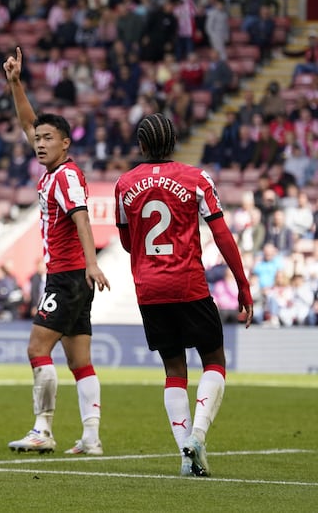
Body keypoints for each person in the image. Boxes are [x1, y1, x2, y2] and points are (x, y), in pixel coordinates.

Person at [113, 112, 254, 477]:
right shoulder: (196, 179)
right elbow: (222, 235)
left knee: (174, 370)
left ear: (141, 145)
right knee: (215, 361)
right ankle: (198, 435)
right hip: (188, 283)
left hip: (149, 289)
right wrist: (242, 283)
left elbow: (128, 243)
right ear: (174, 142)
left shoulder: (124, 184)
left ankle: (185, 457)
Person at [2, 48, 110, 456]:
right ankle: (92, 438)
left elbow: (83, 218)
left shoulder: (64, 177)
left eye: (49, 138)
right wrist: (15, 83)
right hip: (75, 276)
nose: (40, 143)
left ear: (66, 143)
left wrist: (92, 262)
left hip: (67, 276)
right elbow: (29, 122)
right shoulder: (58, 170)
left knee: (36, 349)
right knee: (80, 360)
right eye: (38, 138)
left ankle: (42, 430)